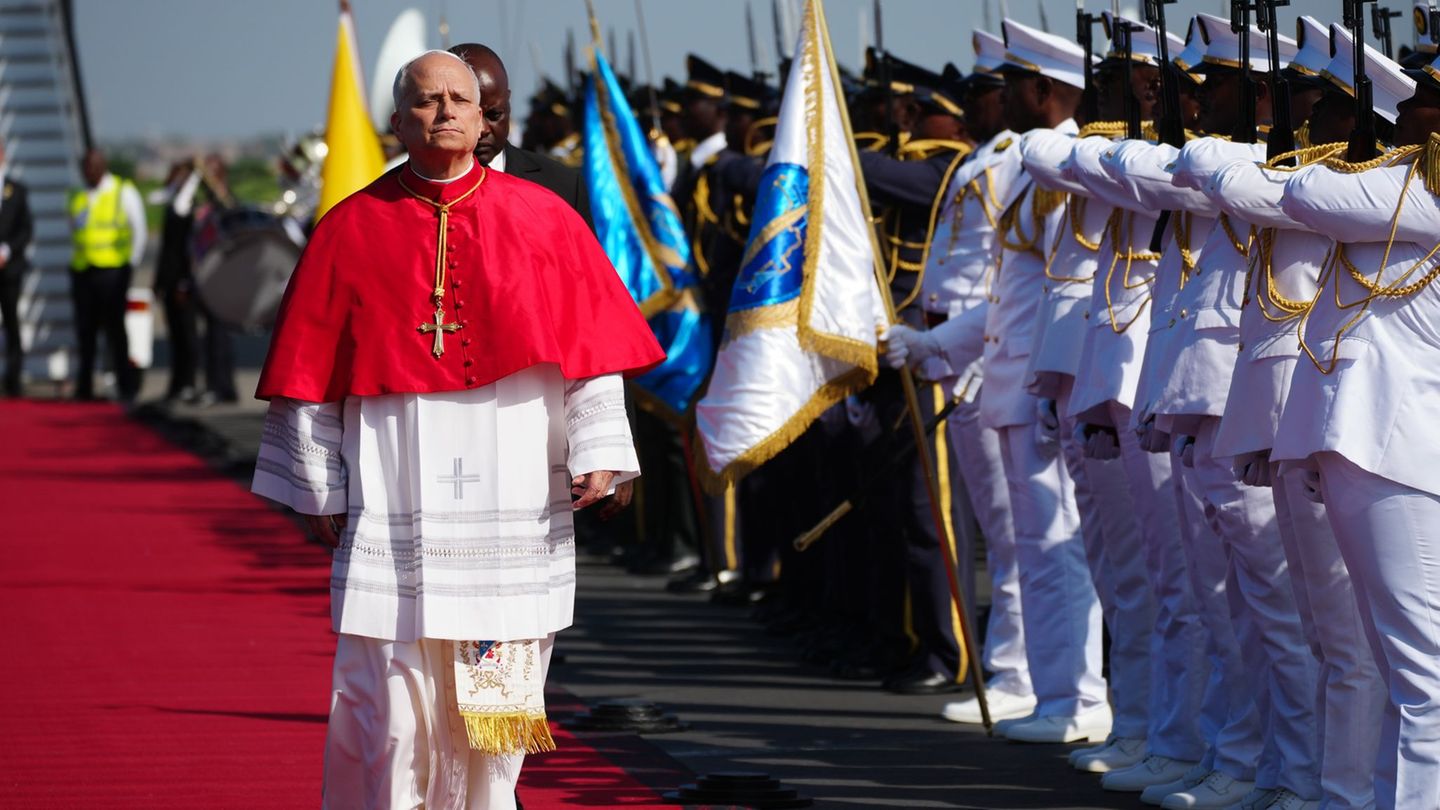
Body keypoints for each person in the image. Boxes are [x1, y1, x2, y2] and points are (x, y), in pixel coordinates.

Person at [249, 50, 663, 809]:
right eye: (426, 100)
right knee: (391, 720)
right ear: (399, 121)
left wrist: (601, 448)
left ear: (483, 118)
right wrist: (320, 485)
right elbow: (310, 375)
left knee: (500, 717)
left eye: (458, 99)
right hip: (394, 499)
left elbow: (594, 356)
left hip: (513, 506)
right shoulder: (349, 228)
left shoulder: (546, 220)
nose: (444, 111)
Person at [449, 43, 592, 229]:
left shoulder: (563, 186)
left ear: (507, 102)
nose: (482, 129)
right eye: (469, 117)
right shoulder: (403, 191)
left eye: (494, 115)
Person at [68, 148, 146, 402]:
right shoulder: (78, 194)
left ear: (103, 166)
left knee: (115, 331)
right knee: (85, 330)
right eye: (85, 168)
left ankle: (126, 386)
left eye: (92, 167)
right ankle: (85, 386)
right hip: (83, 269)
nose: (88, 173)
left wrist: (129, 265)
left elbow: (139, 231)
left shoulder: (123, 191)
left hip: (113, 271)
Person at [154, 161, 201, 403]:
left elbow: (189, 249)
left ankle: (189, 384)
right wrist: (159, 282)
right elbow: (166, 250)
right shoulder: (174, 201)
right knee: (176, 336)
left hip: (183, 281)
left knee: (187, 335)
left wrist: (184, 282)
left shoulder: (190, 205)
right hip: (170, 280)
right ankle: (177, 384)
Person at [0, 137, 33, 397]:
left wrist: (7, 251)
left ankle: (13, 380)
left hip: (10, 269)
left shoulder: (17, 190)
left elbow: (26, 229)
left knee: (12, 322)